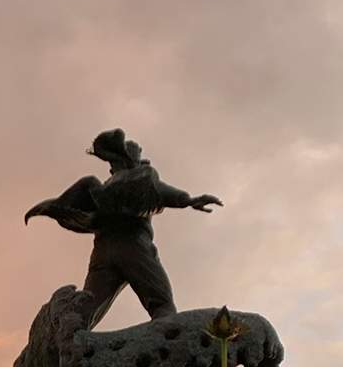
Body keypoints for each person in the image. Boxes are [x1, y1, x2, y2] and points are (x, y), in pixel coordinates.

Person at [24, 128, 223, 329]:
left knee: (87, 309)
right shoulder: (140, 178)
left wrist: (54, 208)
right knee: (161, 304)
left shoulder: (105, 187)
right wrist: (189, 200)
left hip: (103, 252)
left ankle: (69, 337)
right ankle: (167, 339)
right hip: (133, 247)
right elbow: (162, 193)